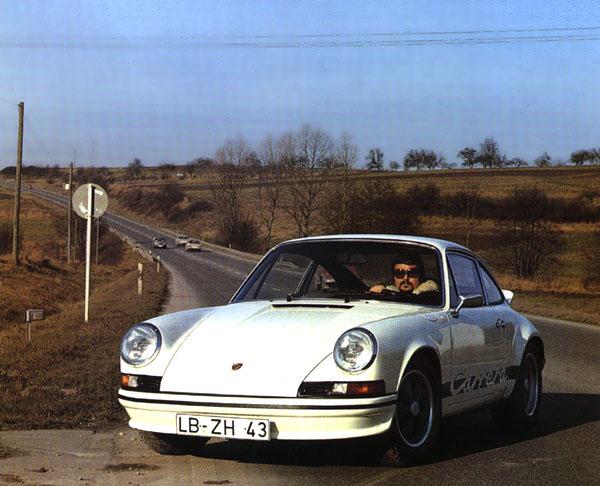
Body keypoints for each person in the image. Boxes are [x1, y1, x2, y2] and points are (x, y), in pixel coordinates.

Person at [370, 253, 439, 295]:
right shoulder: (382, 295)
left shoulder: (431, 296)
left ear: (420, 276)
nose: (405, 278)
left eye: (412, 273)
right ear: (394, 277)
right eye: (400, 273)